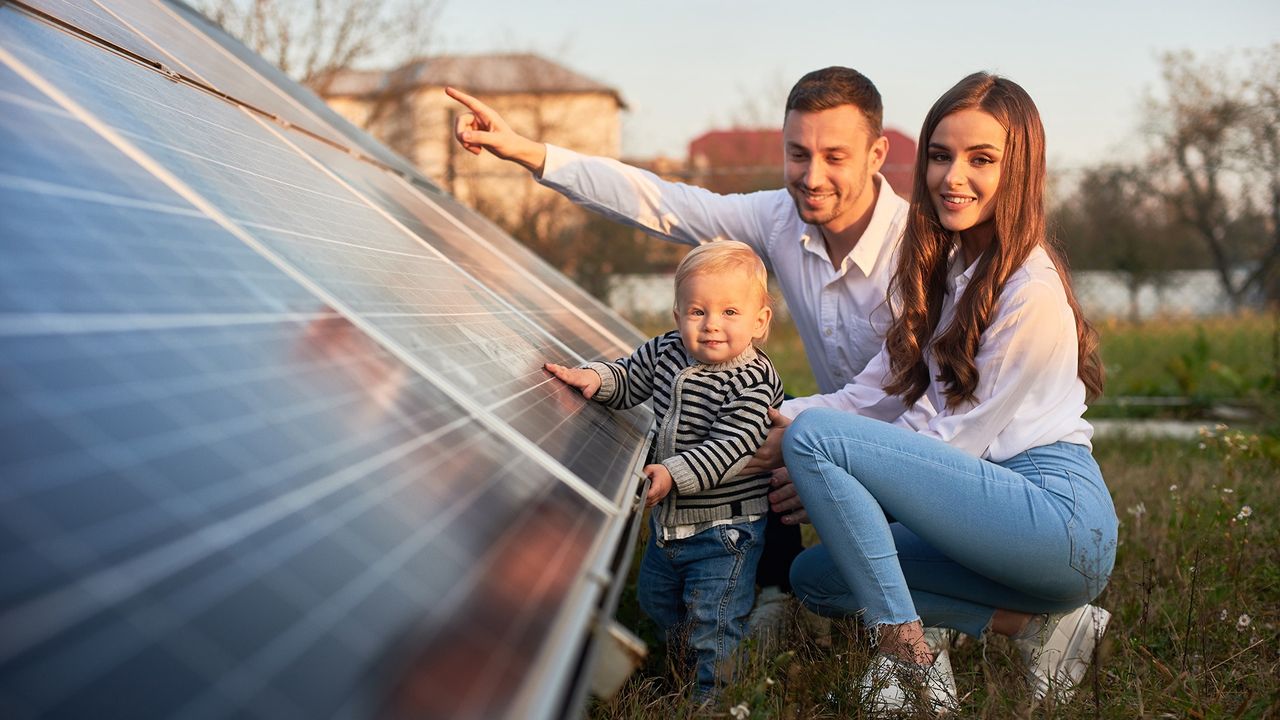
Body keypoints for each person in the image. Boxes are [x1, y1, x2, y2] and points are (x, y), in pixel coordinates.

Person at [446, 67, 908, 625]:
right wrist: (528, 152)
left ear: (876, 153)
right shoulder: (780, 220)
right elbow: (662, 202)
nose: (812, 176)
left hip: (931, 447)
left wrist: (803, 438)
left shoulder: (917, 249)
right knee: (755, 447)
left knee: (771, 437)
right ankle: (769, 596)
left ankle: (935, 609)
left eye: (835, 156)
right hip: (834, 433)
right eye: (797, 154)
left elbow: (906, 392)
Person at [764, 72, 1118, 714]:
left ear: (1021, 170)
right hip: (983, 506)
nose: (953, 176)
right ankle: (1045, 629)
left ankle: (909, 664)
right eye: (939, 154)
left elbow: (950, 443)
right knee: (816, 578)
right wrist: (762, 422)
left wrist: (817, 463)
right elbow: (868, 396)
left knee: (818, 447)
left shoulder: (1029, 292)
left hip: (1054, 520)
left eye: (981, 159)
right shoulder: (951, 270)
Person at [544, 241, 785, 699]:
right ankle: (683, 662)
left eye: (730, 312)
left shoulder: (753, 382)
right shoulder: (668, 350)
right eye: (698, 311)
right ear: (677, 315)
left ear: (760, 321)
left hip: (725, 531)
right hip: (670, 525)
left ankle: (713, 697)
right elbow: (631, 375)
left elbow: (732, 445)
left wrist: (673, 472)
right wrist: (597, 378)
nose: (712, 324)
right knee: (657, 600)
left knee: (712, 620)